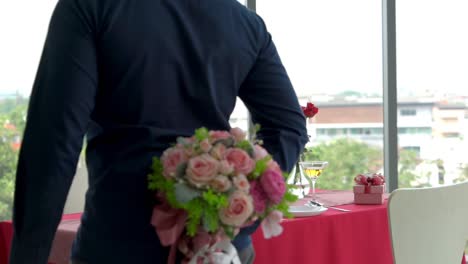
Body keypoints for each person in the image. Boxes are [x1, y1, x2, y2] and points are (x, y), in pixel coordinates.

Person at [9, 0, 308, 263]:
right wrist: (239, 207)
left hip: (120, 244)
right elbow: (289, 126)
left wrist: (27, 256)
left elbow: (54, 146)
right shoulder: (244, 21)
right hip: (219, 249)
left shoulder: (90, 7)